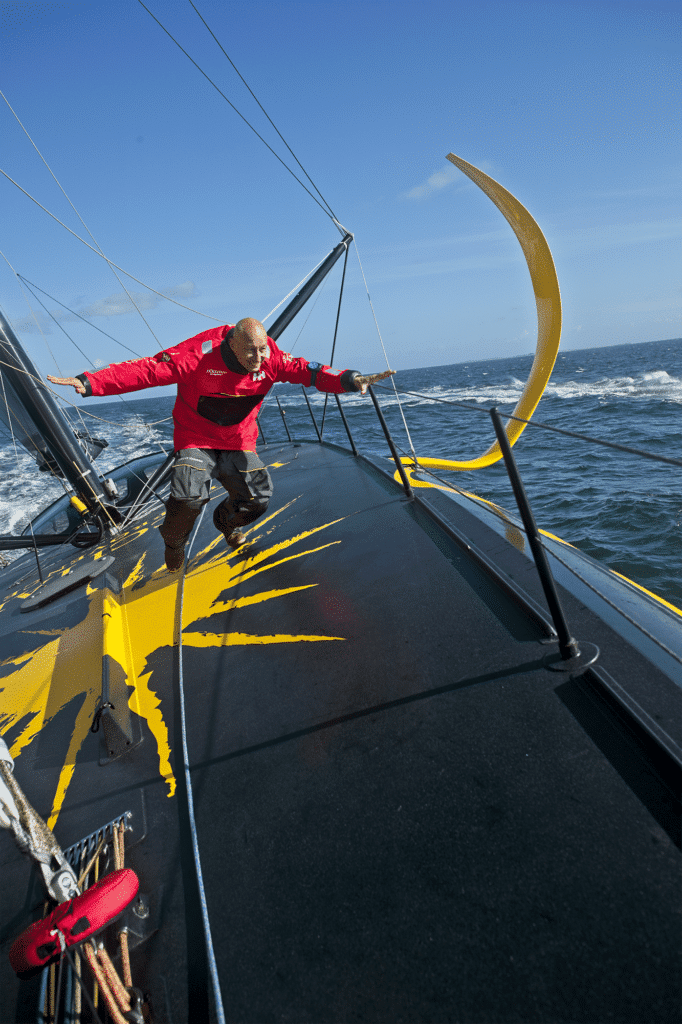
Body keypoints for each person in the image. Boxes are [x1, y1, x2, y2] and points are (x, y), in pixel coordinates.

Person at [48, 318, 394, 571]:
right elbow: (147, 370)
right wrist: (90, 381)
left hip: (237, 438)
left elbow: (310, 372)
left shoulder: (269, 357)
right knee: (186, 498)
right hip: (195, 437)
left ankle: (226, 524)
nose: (258, 360)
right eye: (250, 353)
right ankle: (174, 543)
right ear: (231, 345)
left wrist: (350, 380)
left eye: (262, 351)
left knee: (258, 499)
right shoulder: (197, 356)